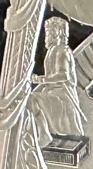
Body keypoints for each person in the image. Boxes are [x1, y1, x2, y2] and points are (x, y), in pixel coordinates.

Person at [28, 15, 85, 143]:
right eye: (47, 32)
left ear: (58, 33)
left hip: (62, 97)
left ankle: (44, 135)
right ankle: (40, 133)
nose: (47, 36)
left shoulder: (62, 51)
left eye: (49, 32)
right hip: (52, 92)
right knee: (30, 98)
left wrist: (41, 79)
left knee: (32, 99)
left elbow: (63, 75)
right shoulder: (52, 51)